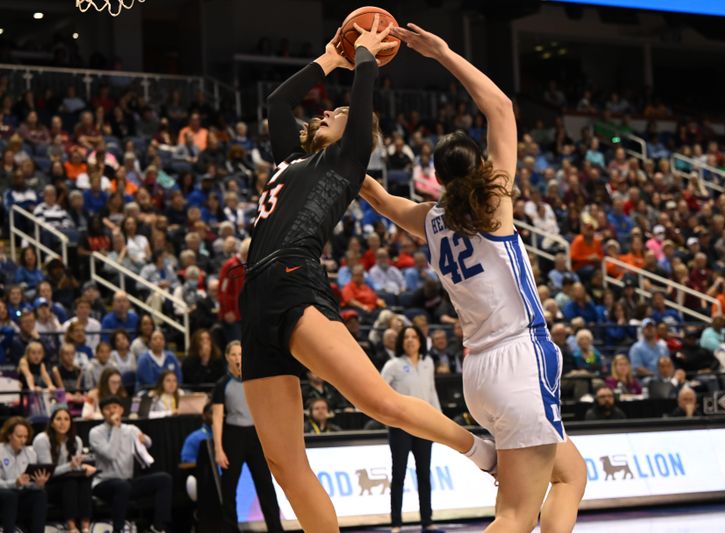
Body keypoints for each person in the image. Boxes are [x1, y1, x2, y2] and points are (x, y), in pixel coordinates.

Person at [239, 22, 496, 533]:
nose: (328, 110)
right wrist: (330, 59)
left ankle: (479, 451)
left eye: (337, 111)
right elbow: (275, 102)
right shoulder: (292, 158)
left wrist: (364, 60)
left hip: (294, 278)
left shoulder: (346, 162)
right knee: (284, 465)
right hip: (254, 298)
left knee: (376, 401)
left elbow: (359, 114)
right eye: (326, 110)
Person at [359, 22, 586, 533]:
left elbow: (375, 195)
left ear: (437, 178)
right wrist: (441, 53)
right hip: (517, 361)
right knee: (515, 516)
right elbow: (501, 108)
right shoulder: (493, 203)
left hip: (479, 374)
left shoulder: (430, 219)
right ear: (481, 167)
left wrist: (333, 152)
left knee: (571, 474)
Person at [212, 341, 283, 532]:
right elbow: (217, 418)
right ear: (227, 357)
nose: (237, 359)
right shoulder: (222, 385)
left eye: (241, 355)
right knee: (229, 488)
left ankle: (276, 528)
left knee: (266, 486)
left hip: (255, 435)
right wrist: (218, 449)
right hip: (233, 436)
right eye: (234, 355)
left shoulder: (255, 381)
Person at [381, 325, 441, 533]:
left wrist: (439, 423)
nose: (410, 340)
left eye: (414, 336)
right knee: (398, 475)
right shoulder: (393, 365)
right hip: (400, 428)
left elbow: (432, 393)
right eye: (406, 337)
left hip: (425, 427)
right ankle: (396, 523)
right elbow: (378, 392)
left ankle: (427, 521)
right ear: (400, 341)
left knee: (424, 475)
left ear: (420, 341)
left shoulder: (428, 363)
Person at [90, 395, 172, 533]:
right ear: (102, 412)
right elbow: (111, 454)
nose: (112, 411)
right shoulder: (96, 432)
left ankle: (158, 527)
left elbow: (148, 442)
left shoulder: (131, 429)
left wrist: (144, 439)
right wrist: (116, 428)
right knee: (121, 486)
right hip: (103, 483)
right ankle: (119, 529)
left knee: (164, 479)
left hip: (127, 482)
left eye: (115, 407)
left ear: (121, 410)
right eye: (107, 408)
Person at [33, 407, 96, 533]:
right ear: (51, 422)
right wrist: (71, 466)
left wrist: (83, 467)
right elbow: (48, 472)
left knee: (84, 479)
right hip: (47, 484)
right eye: (58, 419)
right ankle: (71, 526)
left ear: (71, 423)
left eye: (66, 419)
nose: (63, 423)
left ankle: (85, 526)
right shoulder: (42, 440)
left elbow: (75, 466)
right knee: (70, 482)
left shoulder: (76, 440)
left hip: (68, 482)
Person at [0, 417, 50, 533]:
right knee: (10, 495)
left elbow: (28, 484)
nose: (23, 440)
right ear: (9, 435)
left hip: (19, 494)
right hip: (4, 493)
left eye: (25, 437)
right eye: (19, 436)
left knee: (40, 494)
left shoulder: (31, 453)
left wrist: (38, 484)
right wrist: (15, 483)